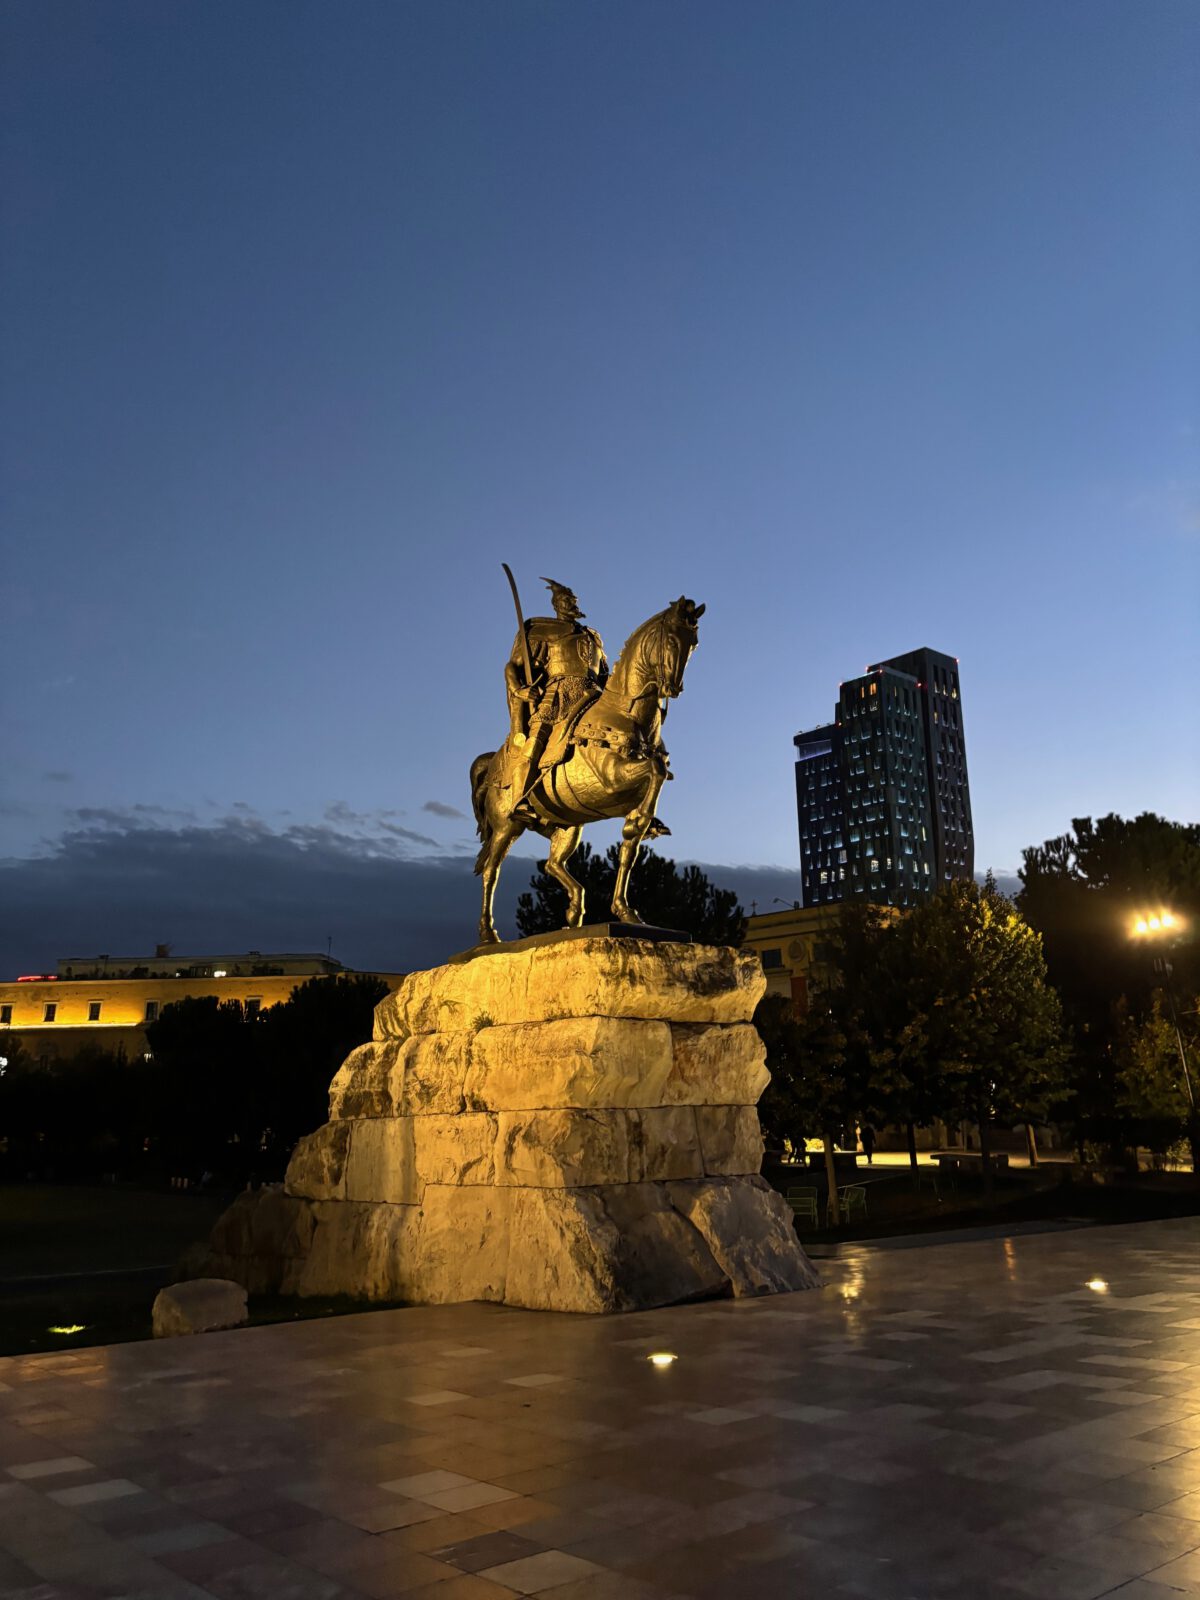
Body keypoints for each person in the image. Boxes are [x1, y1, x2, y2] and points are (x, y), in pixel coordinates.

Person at [501, 577, 608, 800]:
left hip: (593, 696)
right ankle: (520, 798)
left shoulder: (593, 637)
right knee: (537, 738)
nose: (571, 604)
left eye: (573, 600)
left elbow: (604, 675)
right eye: (566, 600)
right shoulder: (542, 630)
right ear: (556, 605)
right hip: (559, 694)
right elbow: (513, 665)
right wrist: (519, 689)